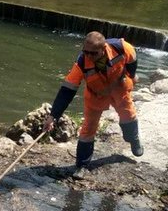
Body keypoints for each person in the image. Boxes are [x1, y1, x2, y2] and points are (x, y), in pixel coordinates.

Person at [43, 31, 143, 179]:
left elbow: (132, 59)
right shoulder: (82, 62)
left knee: (128, 115)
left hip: (119, 88)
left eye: (93, 53)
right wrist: (53, 116)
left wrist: (130, 75)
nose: (89, 56)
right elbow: (67, 91)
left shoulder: (121, 47)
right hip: (96, 94)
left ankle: (133, 139)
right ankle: (82, 165)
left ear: (103, 49)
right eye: (85, 52)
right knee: (88, 129)